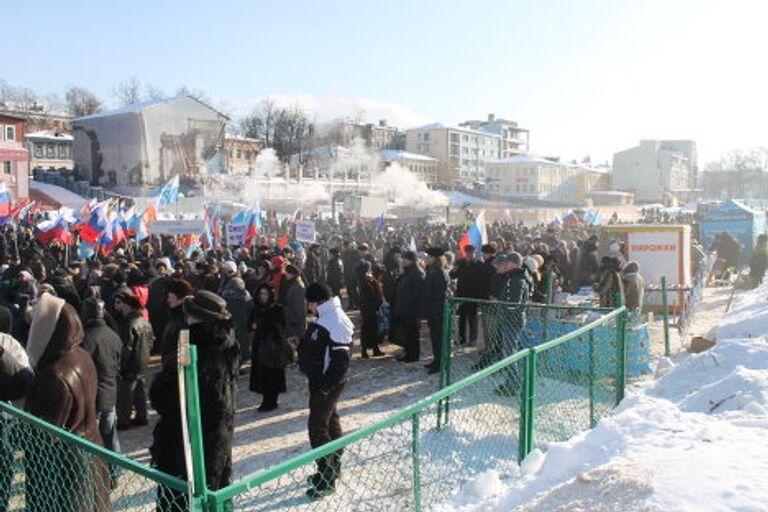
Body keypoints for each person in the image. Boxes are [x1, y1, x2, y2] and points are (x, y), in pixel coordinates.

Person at [149, 290, 239, 509]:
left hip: (186, 442)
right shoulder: (227, 342)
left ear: (195, 317)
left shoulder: (192, 350)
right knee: (216, 490)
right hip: (219, 435)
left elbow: (161, 397)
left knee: (183, 498)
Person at [24, 294, 110, 511]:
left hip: (65, 467)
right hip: (91, 446)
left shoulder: (54, 374)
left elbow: (45, 434)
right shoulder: (81, 354)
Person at [297, 283, 353, 500]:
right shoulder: (325, 317)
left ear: (315, 302)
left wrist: (324, 387)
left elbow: (340, 362)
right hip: (321, 382)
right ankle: (332, 468)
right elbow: (319, 346)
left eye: (308, 302)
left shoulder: (336, 320)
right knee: (330, 422)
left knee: (318, 428)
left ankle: (327, 476)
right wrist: (301, 345)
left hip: (326, 385)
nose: (307, 307)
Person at [81, 297, 123, 453]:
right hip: (110, 390)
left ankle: (95, 472)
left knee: (92, 438)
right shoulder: (113, 335)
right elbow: (119, 363)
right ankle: (115, 470)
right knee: (111, 435)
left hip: (94, 395)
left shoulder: (86, 339)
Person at [114, 291, 154, 430]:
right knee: (139, 390)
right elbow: (151, 341)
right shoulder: (144, 321)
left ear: (129, 306)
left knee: (126, 393)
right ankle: (142, 417)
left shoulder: (128, 323)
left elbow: (126, 347)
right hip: (143, 360)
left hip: (131, 363)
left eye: (122, 305)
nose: (120, 308)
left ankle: (123, 421)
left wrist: (120, 364)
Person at [249, 284, 288, 411]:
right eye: (261, 294)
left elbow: (280, 326)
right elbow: (249, 324)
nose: (263, 296)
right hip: (260, 345)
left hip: (273, 346)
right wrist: (253, 325)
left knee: (272, 374)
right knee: (263, 375)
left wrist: (262, 325)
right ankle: (266, 399)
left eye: (265, 294)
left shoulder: (277, 308)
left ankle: (271, 401)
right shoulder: (256, 308)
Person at [421, 247, 450, 374]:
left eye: (429, 257)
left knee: (439, 338)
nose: (426, 258)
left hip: (437, 311)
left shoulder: (439, 273)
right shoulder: (431, 271)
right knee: (434, 337)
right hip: (432, 310)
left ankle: (440, 363)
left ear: (435, 258)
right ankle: (436, 359)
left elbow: (440, 295)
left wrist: (437, 312)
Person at [392, 251, 424, 363]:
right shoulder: (407, 272)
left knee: (412, 334)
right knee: (406, 334)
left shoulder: (417, 272)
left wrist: (413, 309)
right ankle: (408, 353)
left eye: (405, 259)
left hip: (411, 310)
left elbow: (417, 293)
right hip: (404, 309)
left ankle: (413, 356)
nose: (402, 261)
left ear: (411, 260)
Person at [450, 245, 484, 346]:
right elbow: (452, 275)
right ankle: (461, 339)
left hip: (473, 295)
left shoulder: (478, 264)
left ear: (474, 253)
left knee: (472, 318)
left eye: (471, 253)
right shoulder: (460, 263)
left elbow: (481, 281)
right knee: (462, 318)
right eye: (468, 252)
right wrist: (454, 270)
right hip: (461, 294)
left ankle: (473, 339)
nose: (470, 254)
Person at [220, 276, 254, 373]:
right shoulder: (246, 295)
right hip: (243, 324)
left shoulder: (224, 295)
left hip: (231, 325)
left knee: (233, 346)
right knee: (243, 345)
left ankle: (235, 366)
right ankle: (240, 365)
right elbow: (251, 309)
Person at [357, 261, 384, 359]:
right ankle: (366, 350)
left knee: (370, 329)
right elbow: (371, 294)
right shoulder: (365, 281)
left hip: (368, 308)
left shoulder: (366, 279)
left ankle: (374, 349)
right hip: (369, 309)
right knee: (369, 329)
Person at [280, 264, 307, 345]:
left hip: (295, 323)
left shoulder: (298, 287)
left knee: (297, 343)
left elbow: (300, 307)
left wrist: (295, 321)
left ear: (293, 274)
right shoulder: (294, 284)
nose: (285, 274)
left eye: (287, 273)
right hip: (292, 320)